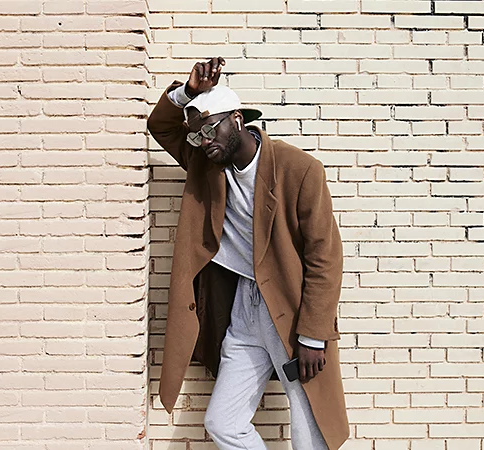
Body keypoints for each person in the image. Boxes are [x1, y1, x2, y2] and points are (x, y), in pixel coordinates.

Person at [147, 57, 349, 450]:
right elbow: (160, 126)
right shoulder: (206, 162)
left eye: (210, 128)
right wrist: (188, 91)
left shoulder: (299, 169)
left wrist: (313, 335)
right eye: (197, 135)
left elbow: (325, 256)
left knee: (310, 432)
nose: (204, 140)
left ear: (236, 120)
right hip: (244, 308)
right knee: (223, 422)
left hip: (289, 310)